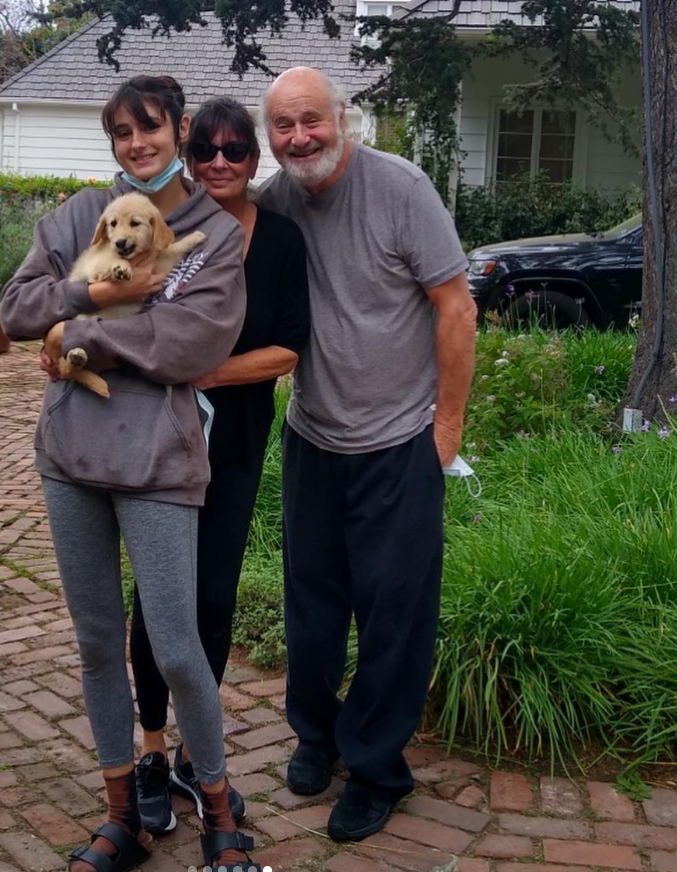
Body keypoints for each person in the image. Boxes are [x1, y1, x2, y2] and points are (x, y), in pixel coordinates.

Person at [0, 76, 263, 872]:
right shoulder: (81, 217)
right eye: (121, 133)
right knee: (92, 643)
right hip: (70, 458)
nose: (136, 145)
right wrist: (86, 295)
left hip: (155, 461)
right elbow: (15, 309)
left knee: (178, 649)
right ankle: (121, 814)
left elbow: (194, 346)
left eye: (148, 129)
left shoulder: (212, 235)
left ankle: (218, 811)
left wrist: (79, 334)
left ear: (177, 129)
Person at [256, 67, 478, 842]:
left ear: (341, 118)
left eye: (310, 120)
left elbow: (455, 309)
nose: (298, 138)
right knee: (312, 611)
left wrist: (443, 434)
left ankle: (378, 768)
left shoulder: (401, 187)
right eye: (281, 126)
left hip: (397, 443)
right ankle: (317, 738)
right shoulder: (275, 199)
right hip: (314, 438)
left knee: (394, 616)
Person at [127, 97, 310, 835]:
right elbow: (110, 306)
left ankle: (194, 759)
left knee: (211, 601)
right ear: (188, 153)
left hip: (233, 444)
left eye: (236, 151)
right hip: (156, 443)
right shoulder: (164, 228)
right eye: (205, 149)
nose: (219, 163)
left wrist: (207, 371)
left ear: (255, 160)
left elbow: (289, 350)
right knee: (154, 597)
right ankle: (146, 750)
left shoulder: (282, 242)